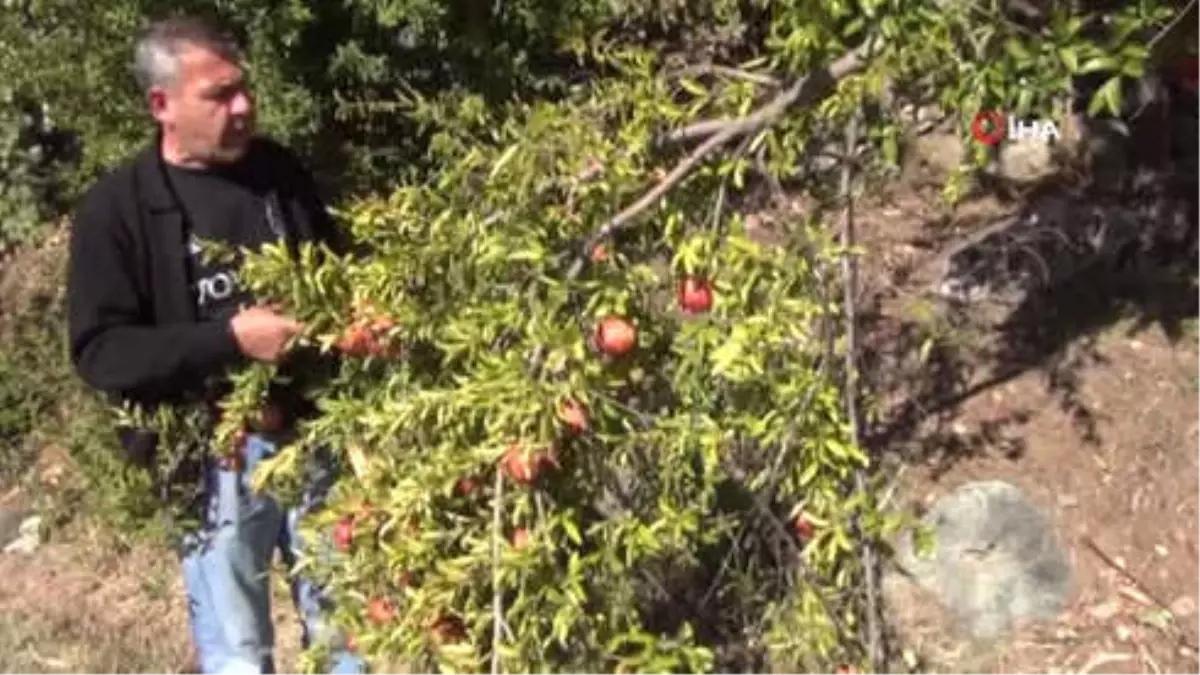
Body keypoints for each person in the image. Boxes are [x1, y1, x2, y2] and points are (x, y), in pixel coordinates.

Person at [65, 15, 364, 675]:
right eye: (220, 94)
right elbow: (101, 351)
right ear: (161, 104)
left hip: (314, 442)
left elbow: (337, 275)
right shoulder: (117, 210)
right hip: (213, 466)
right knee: (237, 655)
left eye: (244, 89)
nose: (244, 106)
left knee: (348, 638)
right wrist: (228, 339)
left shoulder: (278, 173)